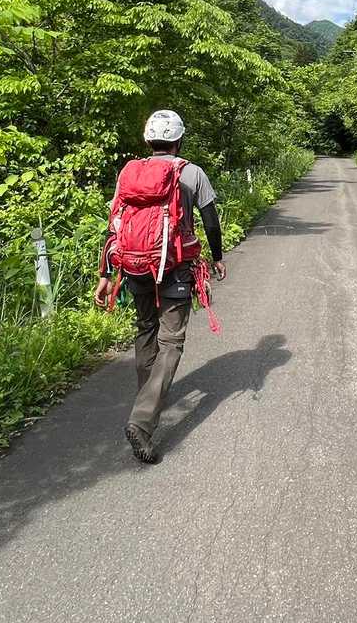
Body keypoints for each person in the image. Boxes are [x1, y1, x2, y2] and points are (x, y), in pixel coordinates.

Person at [94, 110, 226, 464]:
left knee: (145, 329)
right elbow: (211, 221)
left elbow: (114, 225)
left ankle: (147, 398)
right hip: (176, 267)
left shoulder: (130, 173)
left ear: (148, 139)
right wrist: (217, 258)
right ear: (179, 140)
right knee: (171, 341)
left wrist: (105, 273)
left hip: (135, 265)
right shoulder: (192, 173)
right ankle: (142, 419)